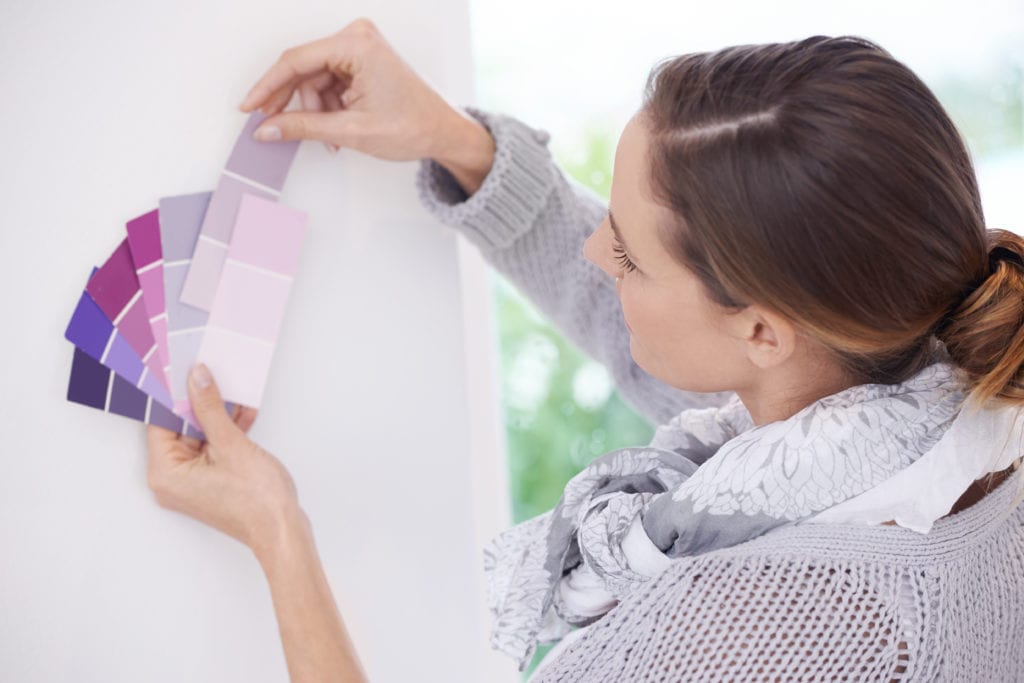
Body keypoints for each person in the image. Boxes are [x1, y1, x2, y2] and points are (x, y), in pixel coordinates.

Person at [145, 18, 1024, 682]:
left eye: (630, 255)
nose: (599, 255)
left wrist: (276, 528)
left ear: (764, 330)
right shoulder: (945, 415)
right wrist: (459, 144)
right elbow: (648, 334)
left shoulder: (730, 623)